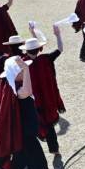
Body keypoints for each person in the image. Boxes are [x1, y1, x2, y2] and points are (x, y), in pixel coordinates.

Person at [0, 56, 56, 169]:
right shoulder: (18, 89)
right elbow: (27, 91)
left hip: (23, 135)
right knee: (39, 167)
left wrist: (25, 70)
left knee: (20, 161)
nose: (26, 71)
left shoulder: (14, 85)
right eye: (21, 70)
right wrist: (26, 69)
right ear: (15, 73)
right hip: (26, 137)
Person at [21, 24, 66, 155]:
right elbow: (60, 49)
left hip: (32, 103)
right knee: (49, 126)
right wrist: (58, 35)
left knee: (33, 126)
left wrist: (32, 33)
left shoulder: (22, 64)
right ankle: (54, 149)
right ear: (39, 49)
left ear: (26, 51)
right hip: (48, 101)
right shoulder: (45, 59)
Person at [0, 34, 25, 108]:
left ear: (9, 47)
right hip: (24, 90)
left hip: (9, 91)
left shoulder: (4, 59)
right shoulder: (25, 58)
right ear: (22, 46)